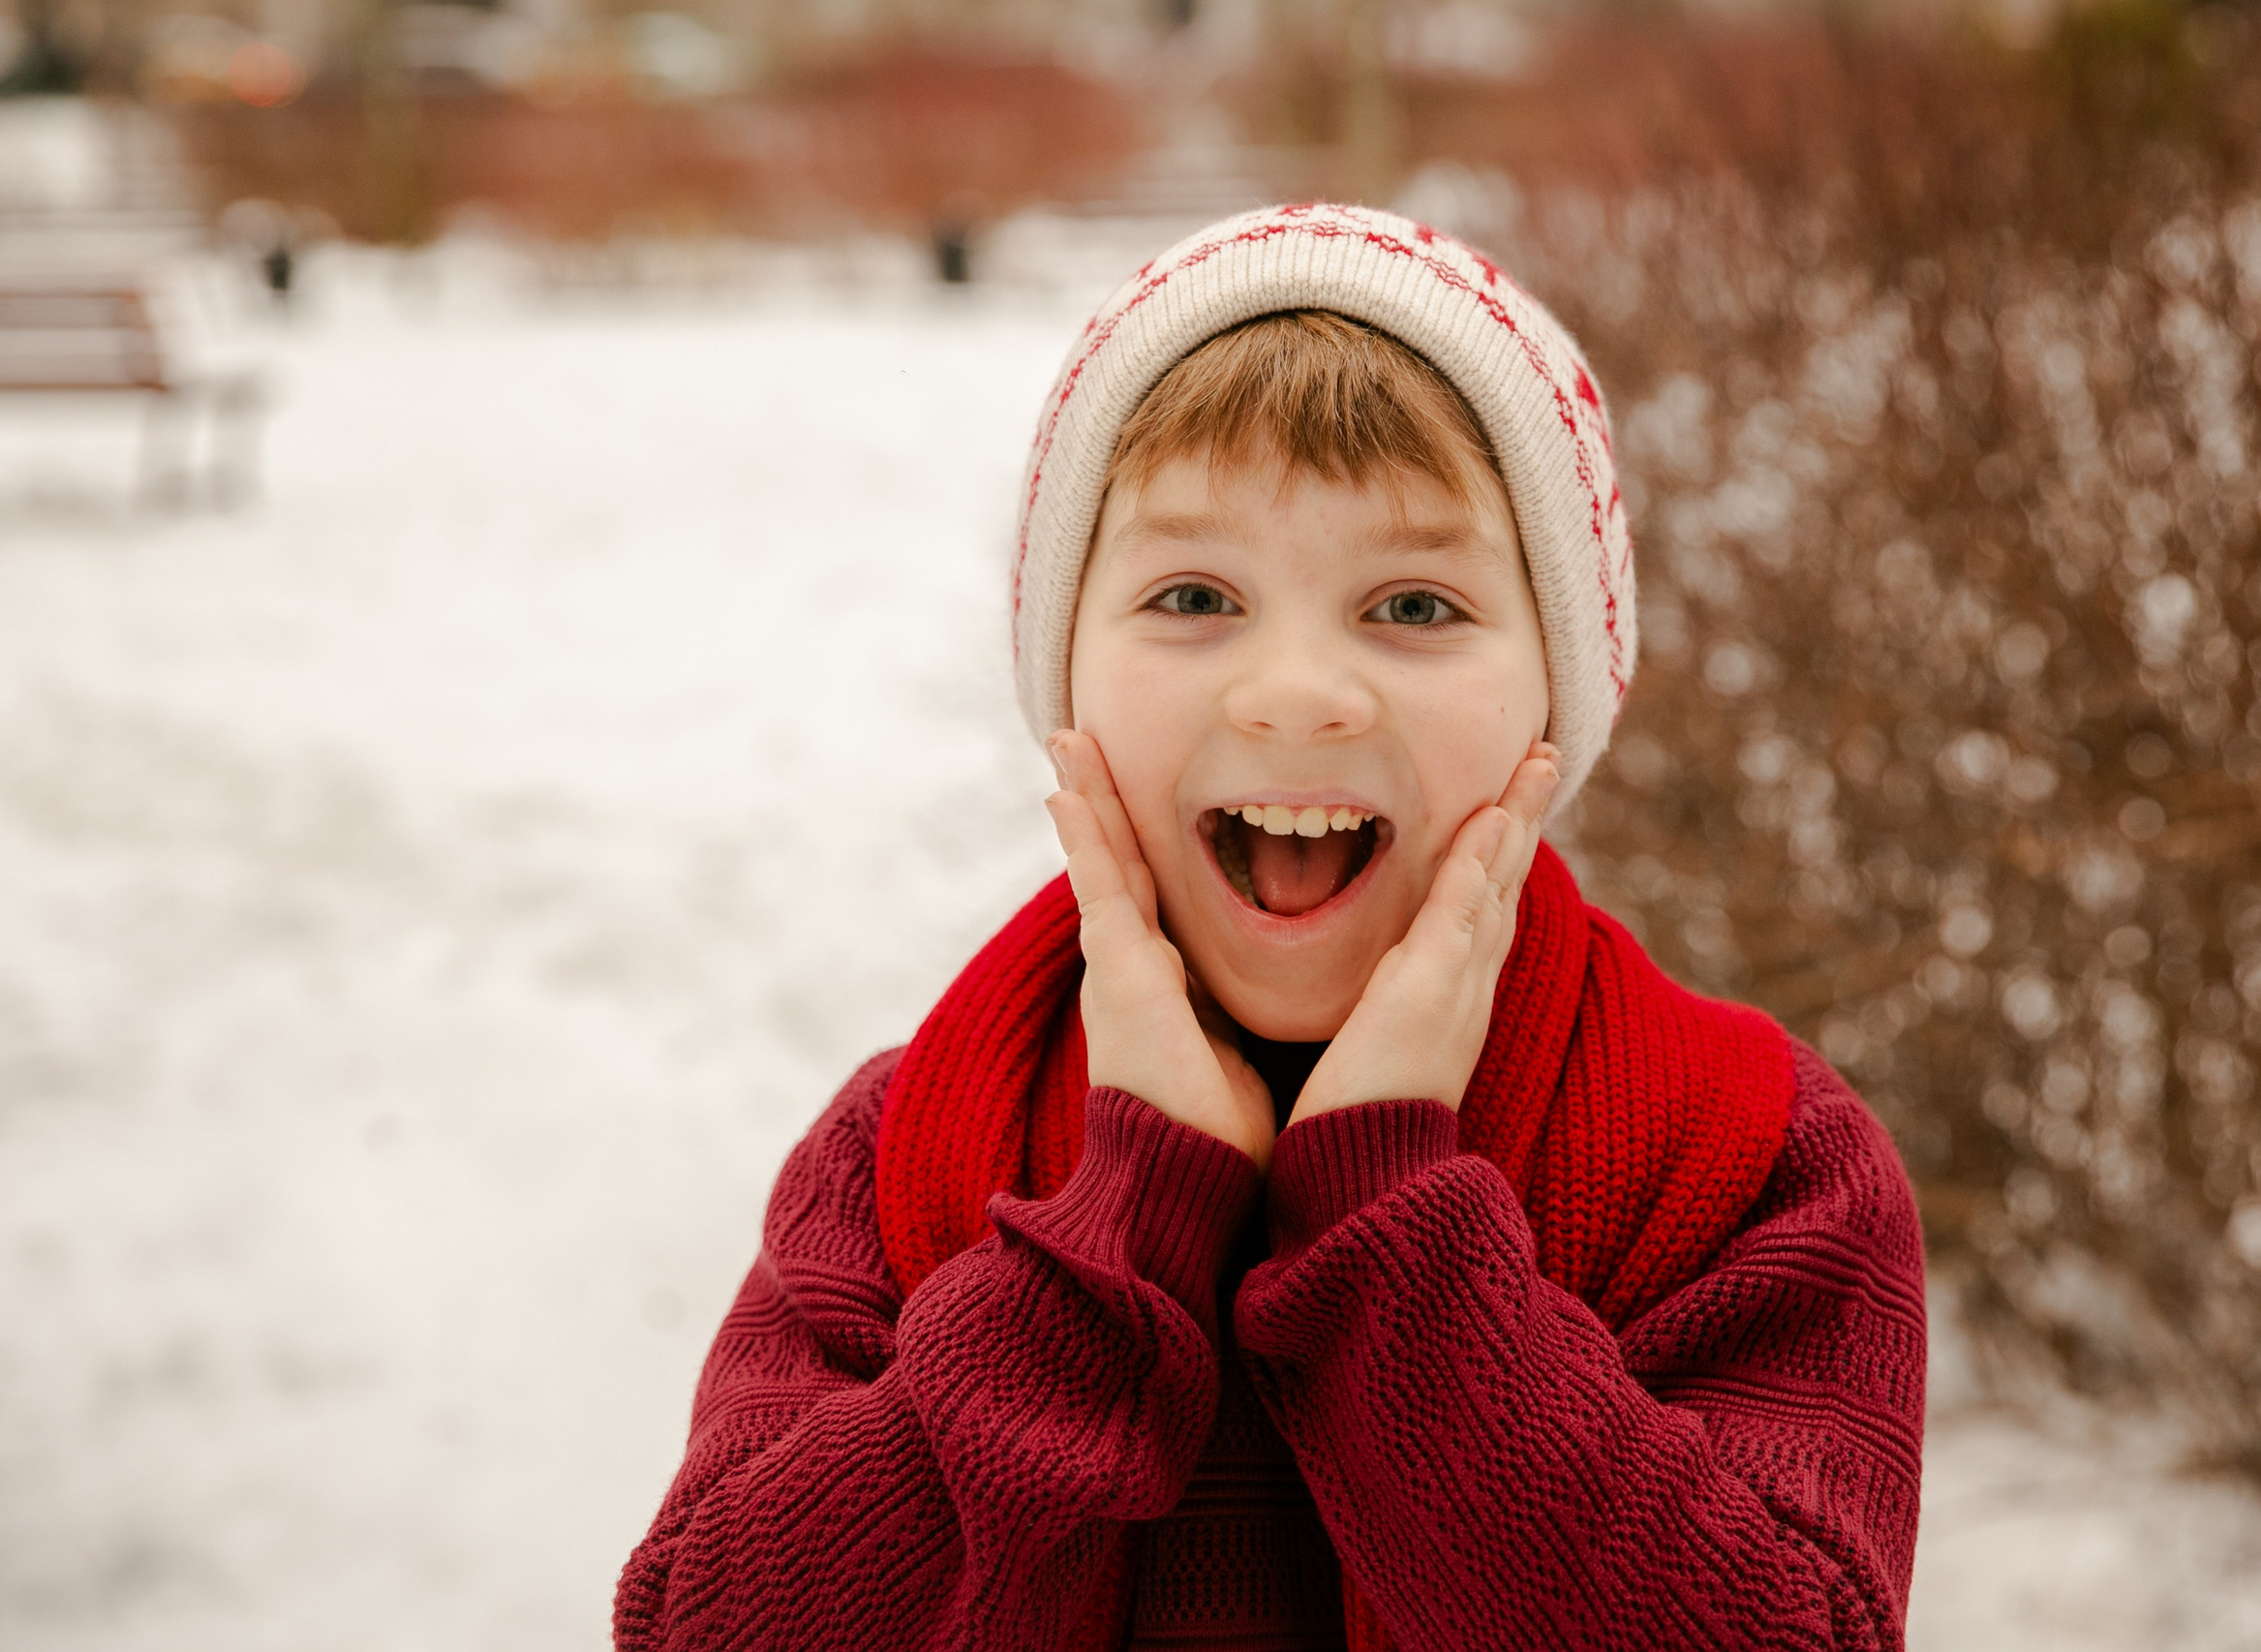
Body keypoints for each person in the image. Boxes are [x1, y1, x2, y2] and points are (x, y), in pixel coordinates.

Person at [614, 201, 1926, 1652]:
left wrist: (1394, 1239)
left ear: (1555, 699)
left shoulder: (1748, 1158)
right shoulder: (907, 1151)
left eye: (1415, 605)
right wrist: (1105, 1250)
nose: (1296, 691)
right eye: (1194, 596)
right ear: (1067, 682)